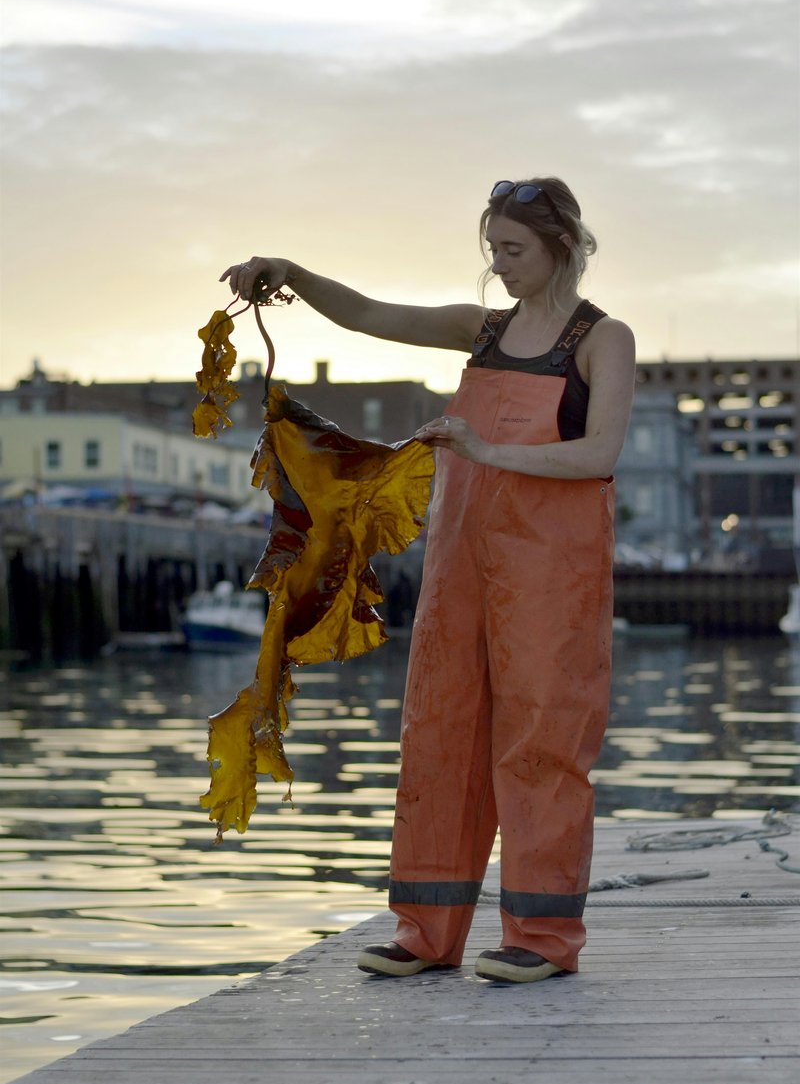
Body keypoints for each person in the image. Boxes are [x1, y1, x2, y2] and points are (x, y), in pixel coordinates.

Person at [221, 176, 636, 984]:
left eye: (514, 250)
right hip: (462, 566)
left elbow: (599, 455)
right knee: (439, 732)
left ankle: (542, 938)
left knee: (542, 740)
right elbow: (373, 315)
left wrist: (484, 452)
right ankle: (426, 929)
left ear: (561, 246)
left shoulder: (600, 338)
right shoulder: (479, 332)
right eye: (494, 251)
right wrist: (291, 272)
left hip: (552, 574)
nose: (501, 266)